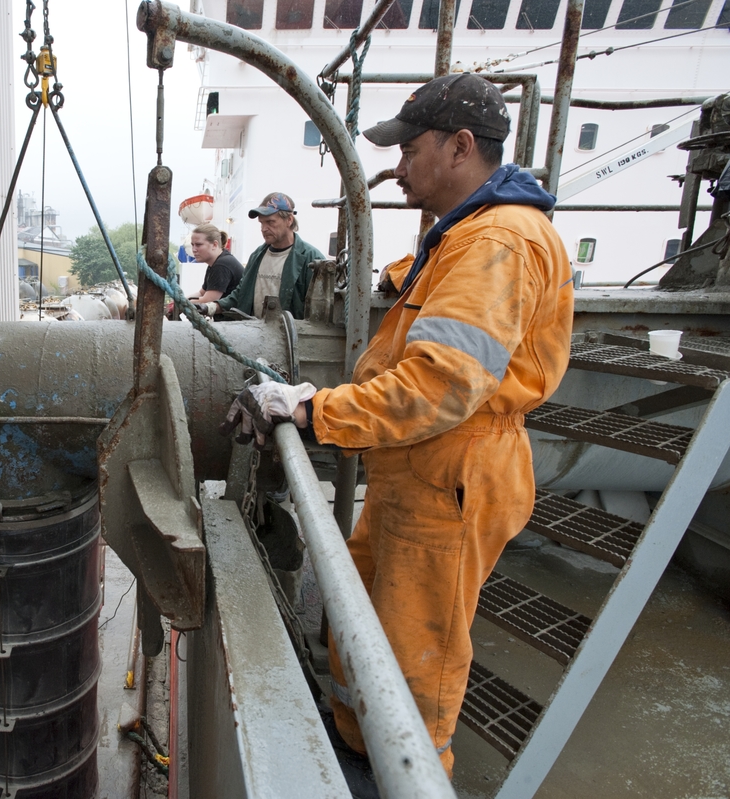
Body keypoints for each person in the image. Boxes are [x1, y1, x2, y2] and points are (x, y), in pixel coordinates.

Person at [221, 73, 573, 794]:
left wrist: (313, 411)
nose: (399, 167)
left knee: (415, 660)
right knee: (363, 623)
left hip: (452, 476)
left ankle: (405, 777)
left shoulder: (498, 241)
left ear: (461, 146)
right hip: (418, 472)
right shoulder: (466, 236)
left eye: (411, 151)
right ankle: (355, 752)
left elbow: (441, 385)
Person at [196, 192, 324, 319]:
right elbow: (241, 294)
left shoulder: (312, 259)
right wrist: (211, 307)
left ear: (289, 220)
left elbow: (321, 311)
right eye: (262, 223)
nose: (264, 229)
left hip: (290, 332)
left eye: (270, 222)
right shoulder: (257, 256)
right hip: (256, 330)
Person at [188, 224, 243, 305]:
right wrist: (181, 300)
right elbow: (202, 293)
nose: (194, 249)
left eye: (198, 245)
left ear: (214, 245)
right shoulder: (216, 263)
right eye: (192, 245)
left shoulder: (222, 265)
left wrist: (183, 303)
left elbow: (207, 302)